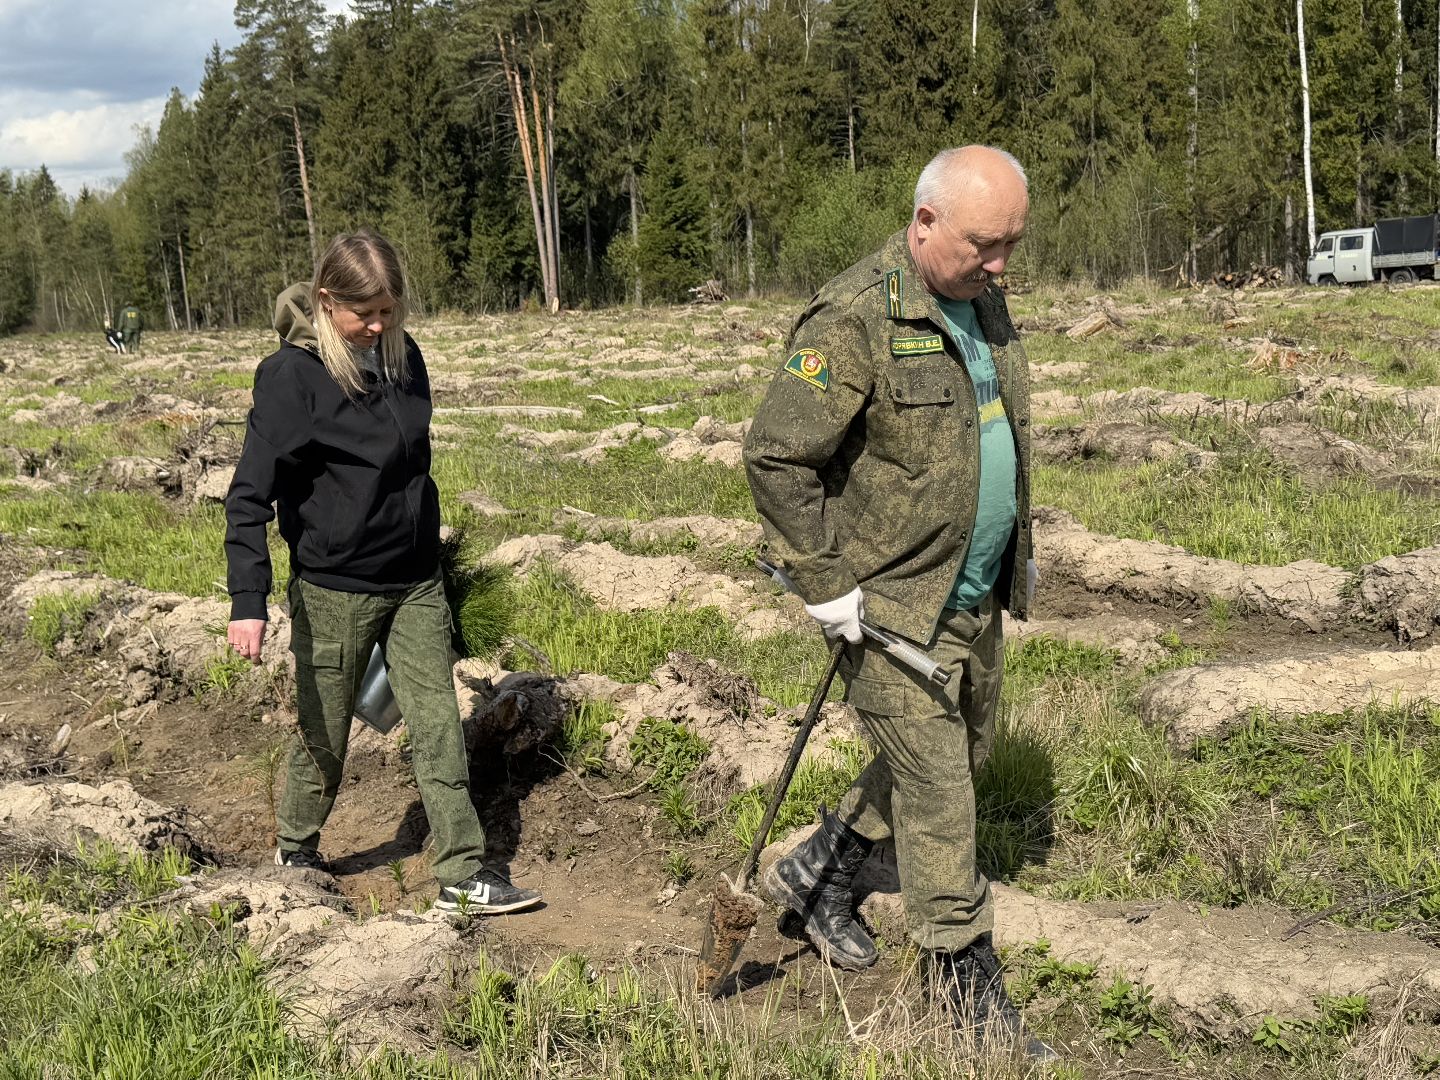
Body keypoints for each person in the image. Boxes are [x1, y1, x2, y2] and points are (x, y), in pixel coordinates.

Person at [742, 146, 1052, 1059]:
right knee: (941, 793)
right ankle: (967, 1003)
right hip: (888, 605)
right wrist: (826, 582)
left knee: (967, 748)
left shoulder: (980, 296)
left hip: (972, 588)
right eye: (984, 245)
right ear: (925, 225)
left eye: (1011, 245)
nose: (1001, 265)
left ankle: (819, 871)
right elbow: (774, 456)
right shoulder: (853, 319)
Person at [224, 228, 541, 915]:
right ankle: (296, 848)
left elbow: (409, 466)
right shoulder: (293, 378)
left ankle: (462, 872)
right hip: (334, 590)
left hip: (415, 583)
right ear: (326, 299)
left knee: (436, 726)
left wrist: (428, 547)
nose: (377, 326)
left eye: (389, 312)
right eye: (364, 314)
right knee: (326, 732)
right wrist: (247, 598)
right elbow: (249, 495)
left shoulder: (403, 358)